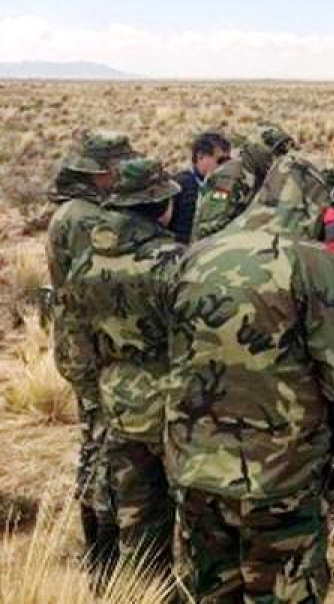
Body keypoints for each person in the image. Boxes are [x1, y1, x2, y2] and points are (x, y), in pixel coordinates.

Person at [166, 153, 334, 602]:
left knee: (212, 589)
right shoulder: (312, 262)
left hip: (194, 463)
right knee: (284, 590)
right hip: (279, 473)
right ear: (313, 207)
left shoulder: (196, 253)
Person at [68, 157, 184, 573]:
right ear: (161, 205)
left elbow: (71, 352)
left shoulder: (86, 264)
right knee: (191, 517)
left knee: (134, 516)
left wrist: (100, 390)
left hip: (117, 405)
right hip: (177, 407)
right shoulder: (176, 263)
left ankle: (140, 590)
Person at [46, 150, 119, 577]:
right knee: (99, 442)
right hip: (89, 347)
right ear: (100, 173)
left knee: (93, 437)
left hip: (76, 342)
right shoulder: (86, 218)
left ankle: (98, 543)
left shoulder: (68, 212)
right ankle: (100, 552)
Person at [191, 122, 292, 242]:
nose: (278, 157)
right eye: (276, 151)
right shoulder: (230, 177)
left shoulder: (259, 173)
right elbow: (209, 226)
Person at [169, 131, 231, 243]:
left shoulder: (221, 186)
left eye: (227, 161)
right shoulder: (179, 185)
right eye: (220, 160)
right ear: (200, 156)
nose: (224, 166)